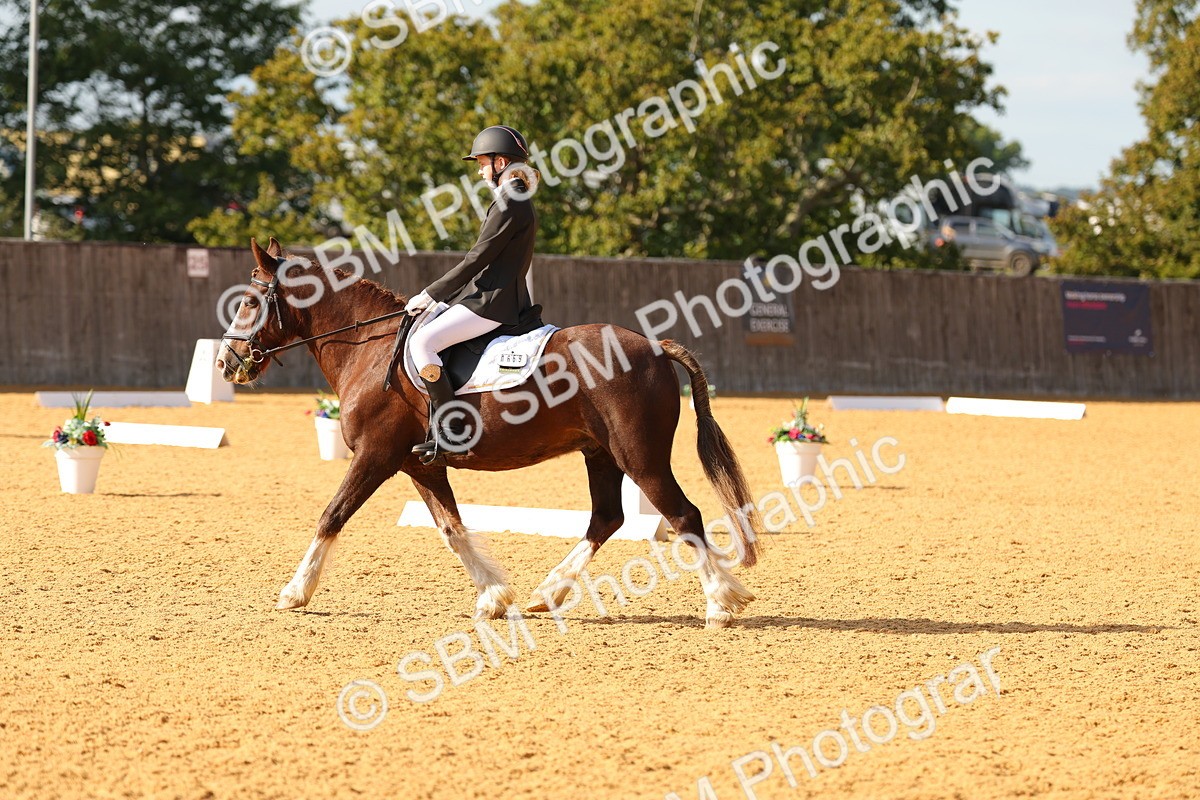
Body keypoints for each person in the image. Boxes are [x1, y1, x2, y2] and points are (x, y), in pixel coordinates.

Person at [404, 125, 540, 463]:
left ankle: (451, 431)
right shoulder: (515, 198)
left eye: (482, 163)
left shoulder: (511, 201)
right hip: (488, 296)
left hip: (491, 302)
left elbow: (478, 257)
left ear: (501, 161)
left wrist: (432, 294)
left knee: (422, 343)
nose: (480, 171)